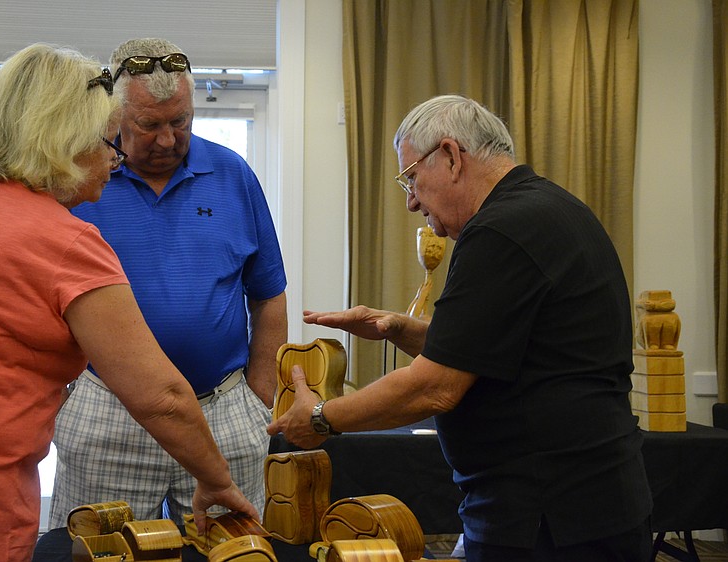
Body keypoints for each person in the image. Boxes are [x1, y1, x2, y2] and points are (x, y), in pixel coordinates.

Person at [0, 43, 257, 562]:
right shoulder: (67, 243)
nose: (114, 158)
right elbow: (162, 397)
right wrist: (216, 480)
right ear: (66, 141)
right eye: (108, 141)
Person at [268, 95, 654, 561]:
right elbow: (495, 353)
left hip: (550, 518)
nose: (411, 201)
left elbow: (435, 388)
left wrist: (320, 419)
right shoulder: (546, 209)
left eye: (411, 177)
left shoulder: (500, 230)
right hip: (578, 505)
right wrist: (396, 328)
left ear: (450, 156)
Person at [49, 38, 287, 528]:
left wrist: (259, 399)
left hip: (220, 411)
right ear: (112, 117)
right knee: (99, 553)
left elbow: (267, 292)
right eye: (149, 125)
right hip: (110, 415)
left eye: (180, 122)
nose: (166, 139)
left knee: (236, 553)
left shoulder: (232, 173)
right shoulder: (78, 178)